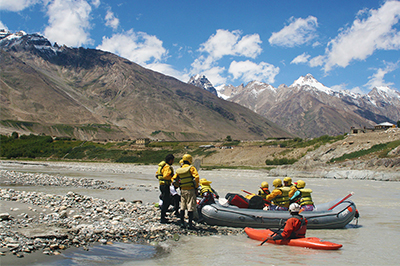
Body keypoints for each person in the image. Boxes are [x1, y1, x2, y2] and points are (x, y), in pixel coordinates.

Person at [171, 153, 199, 229]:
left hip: (182, 190)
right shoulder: (191, 168)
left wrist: (177, 185)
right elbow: (196, 177)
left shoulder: (179, 170)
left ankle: (182, 223)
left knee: (182, 206)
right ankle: (190, 224)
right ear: (190, 160)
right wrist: (196, 187)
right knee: (190, 206)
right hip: (190, 189)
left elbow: (173, 179)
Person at [156, 154, 175, 224]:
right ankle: (162, 217)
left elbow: (157, 174)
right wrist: (172, 177)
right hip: (165, 185)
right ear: (170, 160)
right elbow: (166, 176)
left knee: (166, 199)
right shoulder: (167, 167)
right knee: (166, 201)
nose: (173, 161)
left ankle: (163, 215)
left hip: (161, 185)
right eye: (173, 160)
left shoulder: (162, 166)